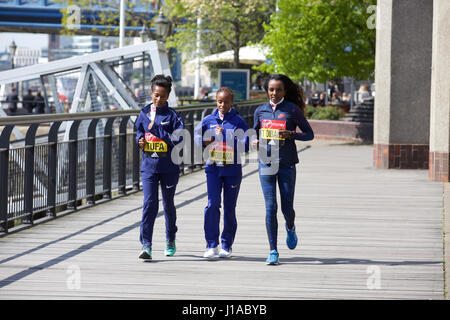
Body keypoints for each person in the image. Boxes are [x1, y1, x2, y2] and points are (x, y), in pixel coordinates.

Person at [253, 74, 314, 265]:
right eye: (271, 89)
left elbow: (310, 135)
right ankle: (273, 251)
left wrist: (291, 134)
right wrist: (254, 141)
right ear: (267, 91)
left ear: (284, 91)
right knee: (271, 207)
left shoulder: (292, 110)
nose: (274, 93)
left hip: (286, 164)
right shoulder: (260, 111)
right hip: (266, 163)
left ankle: (290, 226)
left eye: (278, 89)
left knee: (287, 208)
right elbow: (254, 134)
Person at [195, 87, 249, 259]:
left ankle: (226, 244)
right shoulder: (208, 120)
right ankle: (211, 244)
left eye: (226, 102)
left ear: (231, 102)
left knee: (229, 208)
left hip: (232, 170)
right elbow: (198, 138)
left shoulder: (238, 121)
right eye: (219, 101)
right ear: (216, 101)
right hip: (213, 168)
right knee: (212, 204)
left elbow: (245, 145)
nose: (222, 105)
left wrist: (226, 134)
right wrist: (206, 140)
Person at [135, 75, 185, 261]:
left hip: (169, 167)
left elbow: (179, 139)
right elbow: (139, 132)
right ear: (151, 94)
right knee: (149, 204)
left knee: (168, 204)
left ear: (168, 96)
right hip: (149, 167)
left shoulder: (173, 116)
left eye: (162, 96)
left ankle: (170, 239)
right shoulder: (144, 113)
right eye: (156, 95)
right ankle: (146, 244)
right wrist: (140, 140)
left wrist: (158, 131)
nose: (158, 99)